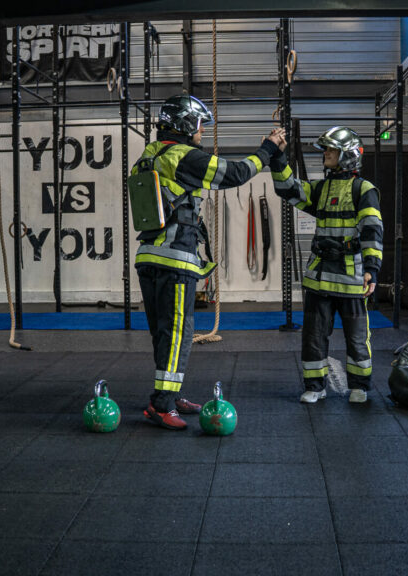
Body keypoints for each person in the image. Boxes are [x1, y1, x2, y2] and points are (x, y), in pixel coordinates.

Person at [134, 94, 287, 429]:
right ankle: (161, 405)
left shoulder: (148, 156)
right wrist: (268, 150)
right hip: (174, 259)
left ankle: (169, 396)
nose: (202, 132)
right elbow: (234, 174)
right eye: (200, 125)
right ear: (186, 124)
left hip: (149, 257)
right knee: (178, 332)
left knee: (166, 333)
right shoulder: (183, 156)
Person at [270, 126, 383, 403]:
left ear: (348, 155)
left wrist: (372, 269)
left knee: (357, 337)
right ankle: (315, 387)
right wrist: (276, 157)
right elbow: (288, 188)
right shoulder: (322, 188)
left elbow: (372, 230)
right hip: (319, 278)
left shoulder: (363, 189)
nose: (326, 154)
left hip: (352, 277)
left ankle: (359, 386)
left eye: (331, 150)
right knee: (313, 336)